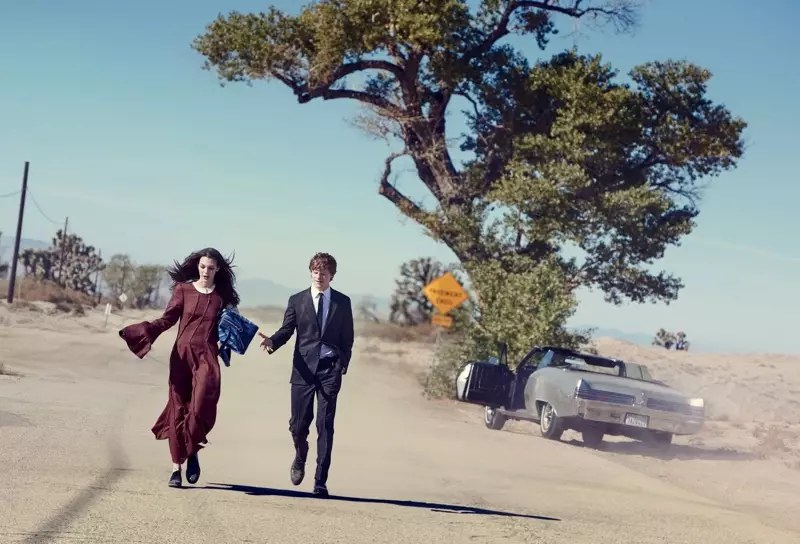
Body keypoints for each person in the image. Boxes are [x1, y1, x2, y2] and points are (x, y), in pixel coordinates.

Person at [118, 247, 240, 488]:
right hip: (182, 356)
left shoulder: (222, 298)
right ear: (197, 266)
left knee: (199, 405)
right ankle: (176, 468)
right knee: (177, 409)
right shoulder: (183, 290)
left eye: (211, 268)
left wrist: (242, 335)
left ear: (218, 270)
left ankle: (192, 448)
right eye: (203, 266)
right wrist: (146, 331)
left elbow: (233, 328)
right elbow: (168, 319)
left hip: (207, 356)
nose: (206, 271)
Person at [258, 252, 354, 498]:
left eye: (324, 272)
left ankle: (320, 480)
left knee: (325, 425)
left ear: (332, 275)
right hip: (303, 370)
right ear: (310, 272)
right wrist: (272, 341)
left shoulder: (342, 303)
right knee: (298, 426)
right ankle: (300, 455)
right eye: (315, 271)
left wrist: (342, 362)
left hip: (330, 370)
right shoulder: (297, 300)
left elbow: (348, 338)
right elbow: (287, 330)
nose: (319, 276)